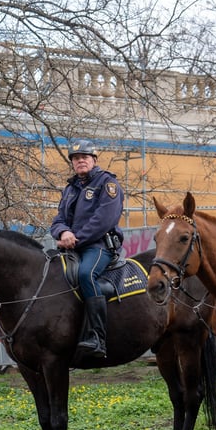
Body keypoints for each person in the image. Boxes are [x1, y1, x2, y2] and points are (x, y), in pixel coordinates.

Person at [50, 140, 124, 358]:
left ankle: (97, 337)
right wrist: (63, 233)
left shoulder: (107, 184)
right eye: (75, 157)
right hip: (73, 245)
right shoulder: (70, 188)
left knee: (86, 274)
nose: (80, 160)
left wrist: (76, 238)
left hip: (98, 245)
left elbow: (104, 219)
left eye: (85, 156)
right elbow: (58, 219)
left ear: (94, 160)